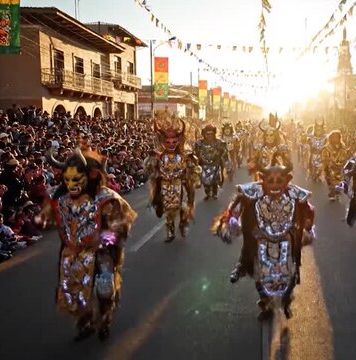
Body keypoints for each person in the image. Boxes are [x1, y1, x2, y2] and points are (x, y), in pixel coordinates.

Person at [38, 147, 137, 341]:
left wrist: (104, 239)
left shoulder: (106, 198)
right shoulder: (61, 197)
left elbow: (121, 227)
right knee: (76, 292)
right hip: (73, 252)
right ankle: (86, 321)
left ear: (90, 175)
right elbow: (52, 222)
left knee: (104, 287)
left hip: (102, 252)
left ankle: (106, 318)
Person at [212, 158, 315, 320]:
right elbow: (235, 207)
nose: (274, 185)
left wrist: (308, 228)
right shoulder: (252, 192)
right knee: (258, 271)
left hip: (286, 238)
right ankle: (263, 299)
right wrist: (231, 220)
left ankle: (287, 299)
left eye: (279, 181)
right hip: (260, 238)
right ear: (262, 178)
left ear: (287, 180)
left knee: (290, 270)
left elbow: (309, 211)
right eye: (270, 180)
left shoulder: (295, 194)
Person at [148, 115, 199, 243]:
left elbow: (195, 169)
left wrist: (191, 168)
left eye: (173, 141)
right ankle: (170, 231)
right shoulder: (158, 155)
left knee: (183, 206)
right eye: (167, 142)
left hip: (180, 183)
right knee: (168, 209)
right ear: (163, 141)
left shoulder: (185, 155)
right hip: (165, 184)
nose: (171, 144)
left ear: (179, 140)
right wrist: (152, 163)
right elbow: (149, 171)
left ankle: (183, 223)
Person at [248, 114, 290, 180]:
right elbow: (254, 161)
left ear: (275, 137)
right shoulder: (260, 147)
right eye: (267, 135)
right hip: (262, 176)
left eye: (271, 135)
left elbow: (287, 164)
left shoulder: (281, 148)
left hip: (277, 177)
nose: (269, 137)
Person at [195, 124, 228, 200]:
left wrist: (222, 157)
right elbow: (195, 154)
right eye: (207, 134)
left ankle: (215, 193)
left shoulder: (219, 143)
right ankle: (207, 193)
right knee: (205, 181)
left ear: (214, 134)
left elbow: (224, 153)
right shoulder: (199, 143)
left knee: (215, 181)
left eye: (211, 134)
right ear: (204, 134)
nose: (209, 136)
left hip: (215, 164)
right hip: (204, 164)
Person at [321, 130, 349, 200]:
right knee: (329, 179)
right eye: (333, 137)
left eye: (337, 137)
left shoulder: (343, 146)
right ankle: (332, 192)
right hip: (330, 166)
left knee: (339, 179)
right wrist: (328, 162)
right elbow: (324, 157)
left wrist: (343, 162)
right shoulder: (327, 147)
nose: (335, 139)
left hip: (340, 166)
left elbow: (345, 155)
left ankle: (337, 190)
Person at [307, 118, 327, 182]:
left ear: (322, 130)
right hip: (313, 152)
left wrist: (324, 147)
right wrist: (310, 143)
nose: (318, 131)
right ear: (315, 129)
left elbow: (328, 141)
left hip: (321, 153)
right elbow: (308, 138)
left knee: (325, 163)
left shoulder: (325, 136)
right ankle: (310, 171)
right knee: (310, 161)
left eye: (320, 130)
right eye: (317, 130)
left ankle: (322, 173)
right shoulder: (311, 136)